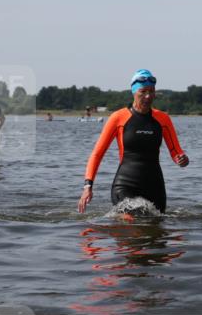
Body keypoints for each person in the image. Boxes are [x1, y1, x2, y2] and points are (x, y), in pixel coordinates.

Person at [78, 69, 189, 214]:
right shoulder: (118, 118)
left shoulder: (163, 119)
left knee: (157, 225)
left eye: (151, 91)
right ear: (134, 92)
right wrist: (88, 186)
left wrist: (182, 160)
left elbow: (176, 152)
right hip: (125, 184)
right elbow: (97, 154)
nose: (148, 96)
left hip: (154, 186)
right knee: (130, 220)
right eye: (143, 92)